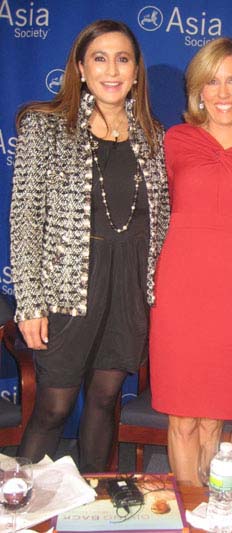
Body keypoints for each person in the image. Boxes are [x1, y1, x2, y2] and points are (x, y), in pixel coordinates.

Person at [10, 20, 169, 472]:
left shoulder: (153, 135)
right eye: (100, 58)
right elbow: (24, 220)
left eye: (123, 58)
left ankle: (93, 510)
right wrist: (30, 303)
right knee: (54, 409)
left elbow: (161, 222)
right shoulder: (45, 127)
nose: (112, 69)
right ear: (81, 68)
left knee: (103, 403)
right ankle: (15, 508)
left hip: (128, 290)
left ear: (137, 71)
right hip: (67, 291)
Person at [150, 37, 232, 485]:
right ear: (198, 91)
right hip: (178, 289)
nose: (223, 93)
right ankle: (187, 510)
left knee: (214, 421)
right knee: (181, 417)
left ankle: (213, 507)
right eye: (212, 82)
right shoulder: (175, 139)